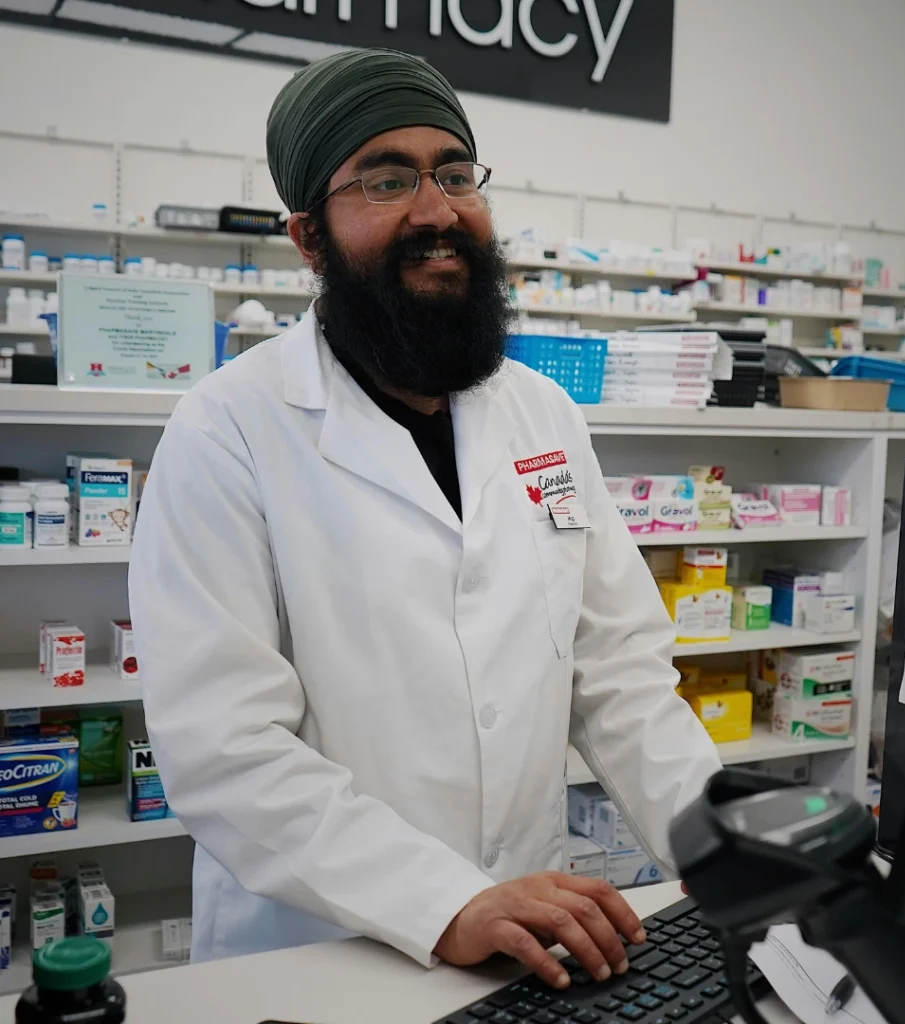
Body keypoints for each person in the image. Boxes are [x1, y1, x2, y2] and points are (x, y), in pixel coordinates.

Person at [128, 48, 720, 987]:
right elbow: (225, 750)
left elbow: (621, 681)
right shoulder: (227, 432)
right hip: (320, 955)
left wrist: (732, 861)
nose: (436, 210)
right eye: (386, 178)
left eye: (454, 172)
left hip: (531, 940)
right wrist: (443, 900)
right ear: (309, 236)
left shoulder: (543, 415)